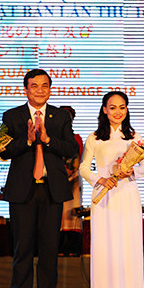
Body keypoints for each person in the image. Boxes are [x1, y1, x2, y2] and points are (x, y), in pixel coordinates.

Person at [0, 68, 78, 288]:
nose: (40, 90)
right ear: (26, 89)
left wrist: (47, 139)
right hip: (23, 190)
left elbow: (71, 150)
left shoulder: (60, 117)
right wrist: (28, 141)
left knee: (49, 247)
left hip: (51, 190)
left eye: (45, 85)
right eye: (34, 86)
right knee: (22, 248)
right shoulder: (12, 116)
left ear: (50, 89)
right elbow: (3, 151)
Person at [79, 91, 144, 288]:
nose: (117, 112)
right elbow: (83, 167)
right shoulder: (94, 137)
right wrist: (100, 179)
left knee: (129, 245)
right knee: (105, 246)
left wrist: (127, 173)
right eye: (113, 107)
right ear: (104, 110)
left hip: (127, 194)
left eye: (122, 107)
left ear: (127, 110)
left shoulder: (134, 137)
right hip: (104, 195)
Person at [59, 106, 83, 257]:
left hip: (73, 179)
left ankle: (73, 247)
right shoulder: (51, 137)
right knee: (59, 215)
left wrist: (70, 170)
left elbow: (78, 157)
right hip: (57, 179)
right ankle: (60, 247)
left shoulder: (77, 138)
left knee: (72, 213)